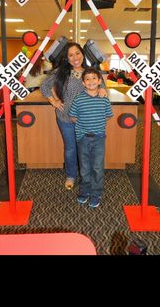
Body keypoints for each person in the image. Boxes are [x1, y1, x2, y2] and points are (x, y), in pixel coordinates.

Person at [40, 42, 107, 190]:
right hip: (65, 117)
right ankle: (71, 175)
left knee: (86, 149)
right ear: (67, 58)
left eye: (77, 53)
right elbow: (44, 86)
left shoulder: (89, 72)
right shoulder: (61, 72)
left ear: (82, 54)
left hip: (86, 119)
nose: (75, 57)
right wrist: (53, 101)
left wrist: (102, 89)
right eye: (71, 55)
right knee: (70, 148)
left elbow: (101, 84)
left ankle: (87, 176)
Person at [69, 67, 113, 208]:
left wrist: (95, 125)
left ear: (100, 80)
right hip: (83, 138)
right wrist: (84, 128)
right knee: (85, 167)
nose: (91, 81)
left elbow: (108, 116)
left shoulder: (104, 99)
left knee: (98, 167)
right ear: (83, 83)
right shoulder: (78, 99)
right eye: (87, 79)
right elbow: (73, 117)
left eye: (94, 78)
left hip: (99, 138)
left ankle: (96, 193)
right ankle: (85, 191)